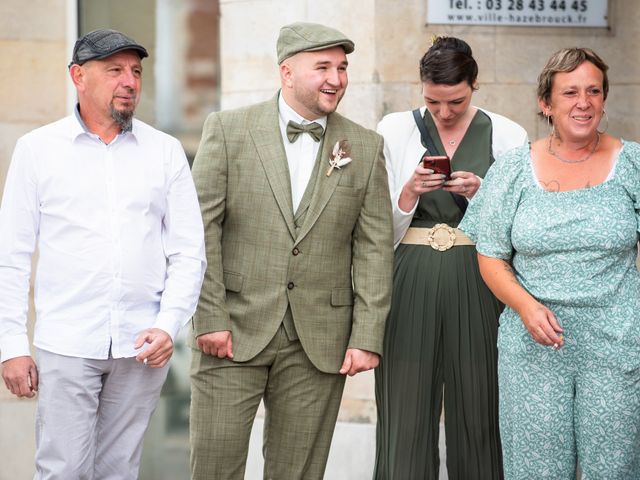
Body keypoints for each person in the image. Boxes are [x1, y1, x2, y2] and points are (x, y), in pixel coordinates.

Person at [189, 21, 394, 480]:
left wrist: (367, 334)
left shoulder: (364, 145)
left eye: (342, 68)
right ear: (286, 73)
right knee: (214, 469)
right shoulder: (228, 130)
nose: (336, 79)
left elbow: (374, 248)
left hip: (319, 341)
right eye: (323, 67)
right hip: (231, 333)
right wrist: (210, 317)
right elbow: (199, 229)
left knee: (299, 473)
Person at [0, 29, 206, 479]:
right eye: (114, 70)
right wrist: (12, 346)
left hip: (141, 346)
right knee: (63, 470)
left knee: (119, 471)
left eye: (135, 71)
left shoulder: (165, 151)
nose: (129, 81)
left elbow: (190, 253)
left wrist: (168, 324)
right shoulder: (37, 151)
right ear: (78, 76)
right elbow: (10, 258)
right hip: (68, 342)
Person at [459, 47, 640, 479]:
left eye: (594, 91)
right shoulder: (513, 169)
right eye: (571, 92)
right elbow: (491, 255)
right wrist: (525, 307)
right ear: (546, 103)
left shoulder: (633, 163)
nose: (584, 103)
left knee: (614, 466)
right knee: (535, 468)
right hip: (533, 344)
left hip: (616, 343)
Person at [374, 36, 528, 480]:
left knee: (481, 405)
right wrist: (407, 193)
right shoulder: (394, 129)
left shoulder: (507, 133)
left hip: (480, 277)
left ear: (474, 85)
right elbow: (372, 225)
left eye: (455, 101)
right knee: (404, 407)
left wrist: (483, 196)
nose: (444, 112)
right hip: (409, 274)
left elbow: (520, 224)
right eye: (433, 101)